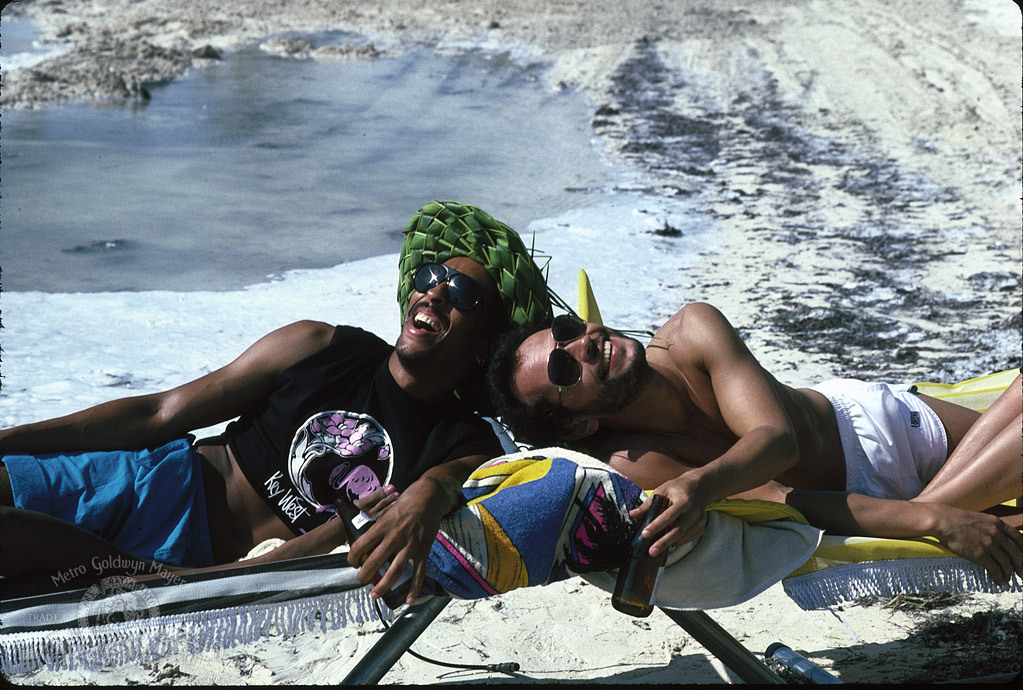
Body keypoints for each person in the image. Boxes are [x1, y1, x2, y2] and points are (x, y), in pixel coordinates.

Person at [0, 200, 553, 604]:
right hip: (155, 482)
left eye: (461, 293)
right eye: (432, 277)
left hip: (201, 567)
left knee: (22, 590)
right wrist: (7, 441)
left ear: (485, 345)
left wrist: (181, 586)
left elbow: (463, 482)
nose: (434, 290)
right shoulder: (325, 346)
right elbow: (160, 412)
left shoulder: (461, 444)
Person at [487, 302, 1023, 584]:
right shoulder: (638, 464)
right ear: (577, 427)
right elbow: (787, 507)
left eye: (566, 329)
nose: (585, 342)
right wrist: (931, 523)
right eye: (564, 366)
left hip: (875, 425)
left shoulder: (692, 332)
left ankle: (946, 502)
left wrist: (930, 516)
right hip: (856, 507)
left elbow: (776, 440)